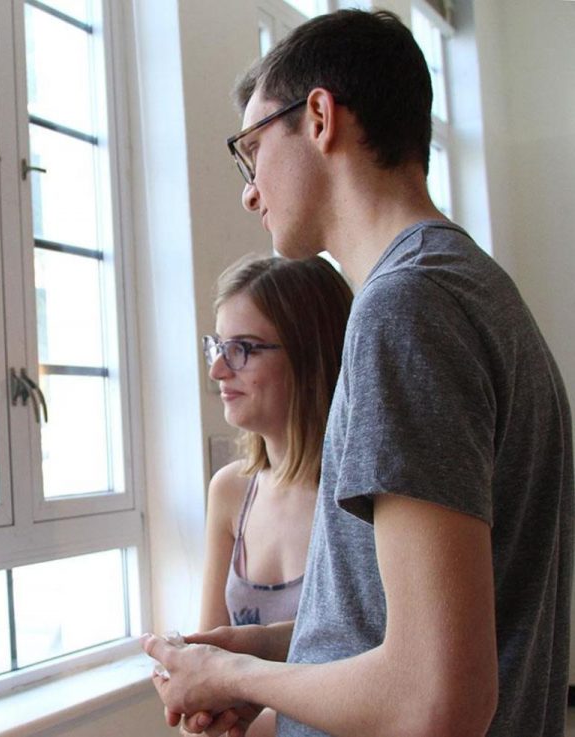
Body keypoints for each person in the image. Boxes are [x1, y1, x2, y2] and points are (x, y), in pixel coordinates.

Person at [143, 9, 573, 737]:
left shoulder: (404, 308)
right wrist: (267, 647)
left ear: (318, 117)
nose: (250, 191)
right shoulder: (474, 288)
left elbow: (437, 698)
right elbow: (411, 629)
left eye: (252, 151)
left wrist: (229, 674)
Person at [197, 255, 351, 737]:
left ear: (311, 357)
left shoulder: (361, 499)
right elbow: (211, 664)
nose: (218, 370)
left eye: (243, 349)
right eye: (217, 347)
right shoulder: (229, 491)